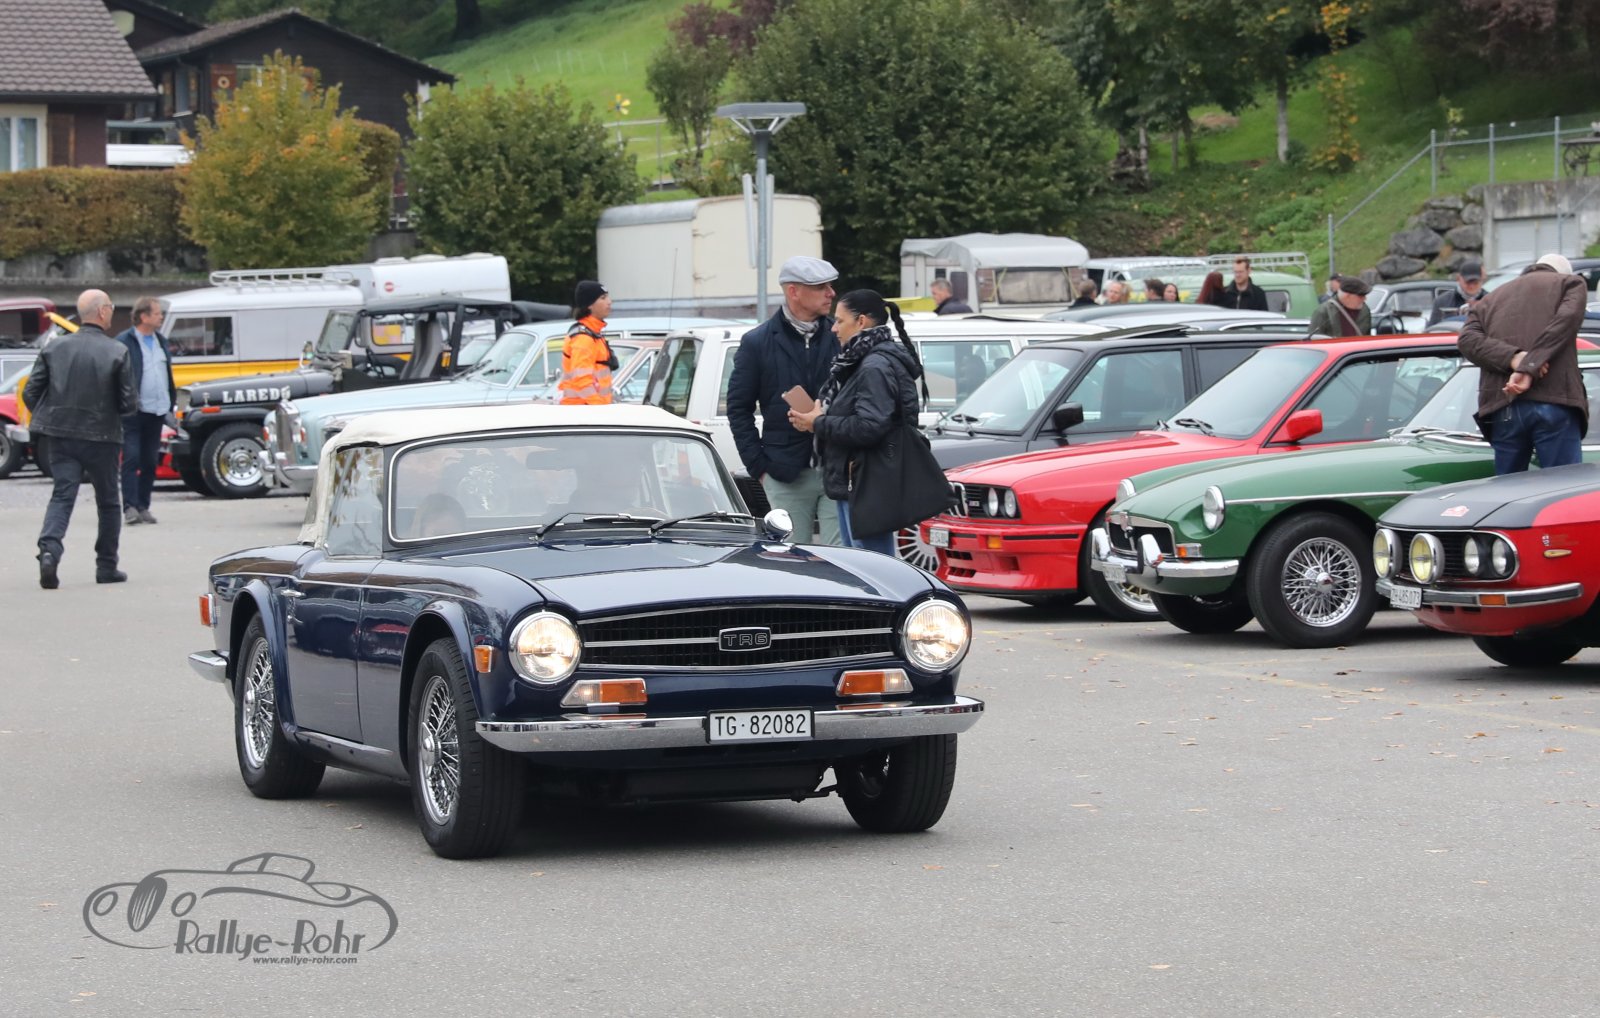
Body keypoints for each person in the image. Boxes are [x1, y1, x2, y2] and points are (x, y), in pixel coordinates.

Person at [788, 289, 923, 555]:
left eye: (840, 321)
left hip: (867, 483)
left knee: (872, 567)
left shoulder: (873, 366)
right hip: (856, 481)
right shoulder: (859, 361)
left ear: (861, 321)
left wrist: (819, 423)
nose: (833, 328)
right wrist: (817, 418)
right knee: (861, 563)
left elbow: (870, 426)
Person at [726, 255, 842, 545]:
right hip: (785, 472)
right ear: (794, 291)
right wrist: (760, 468)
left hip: (837, 467)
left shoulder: (840, 337)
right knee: (792, 558)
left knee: (841, 560)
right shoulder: (757, 342)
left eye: (830, 286)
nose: (831, 293)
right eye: (821, 287)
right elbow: (738, 409)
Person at [25, 289, 138, 588]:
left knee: (62, 495)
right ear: (102, 311)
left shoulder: (54, 348)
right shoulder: (117, 351)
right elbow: (128, 403)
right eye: (111, 306)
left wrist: (51, 416)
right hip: (103, 437)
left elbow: (31, 392)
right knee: (108, 502)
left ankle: (49, 550)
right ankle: (106, 566)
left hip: (60, 435)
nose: (111, 311)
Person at [1458, 253, 1588, 474]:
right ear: (1561, 274)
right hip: (1555, 400)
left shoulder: (1490, 299)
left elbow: (1467, 340)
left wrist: (1514, 358)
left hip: (1503, 405)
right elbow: (1565, 322)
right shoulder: (1570, 284)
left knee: (1509, 490)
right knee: (1563, 487)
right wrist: (1530, 364)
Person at [115, 296, 175, 525]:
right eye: (157, 313)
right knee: (131, 458)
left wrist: (170, 404)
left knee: (150, 461)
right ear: (144, 316)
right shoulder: (124, 341)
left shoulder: (161, 341)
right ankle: (129, 507)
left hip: (157, 411)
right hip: (133, 411)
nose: (161, 317)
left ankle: (143, 506)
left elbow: (166, 374)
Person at [558, 280, 617, 404]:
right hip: (584, 409)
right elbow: (581, 380)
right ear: (590, 305)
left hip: (589, 408)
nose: (609, 302)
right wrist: (599, 407)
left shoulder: (593, 334)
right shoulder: (584, 338)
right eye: (603, 298)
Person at [1425, 259, 1486, 328]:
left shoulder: (1490, 301)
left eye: (1475, 282)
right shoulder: (1442, 301)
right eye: (1468, 282)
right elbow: (1432, 329)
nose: (1472, 286)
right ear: (1459, 279)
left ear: (1482, 280)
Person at [1306, 276, 1373, 337]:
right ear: (1347, 296)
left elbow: (1367, 337)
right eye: (1361, 296)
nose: (1365, 299)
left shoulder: (1365, 310)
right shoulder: (1323, 312)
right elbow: (1314, 339)